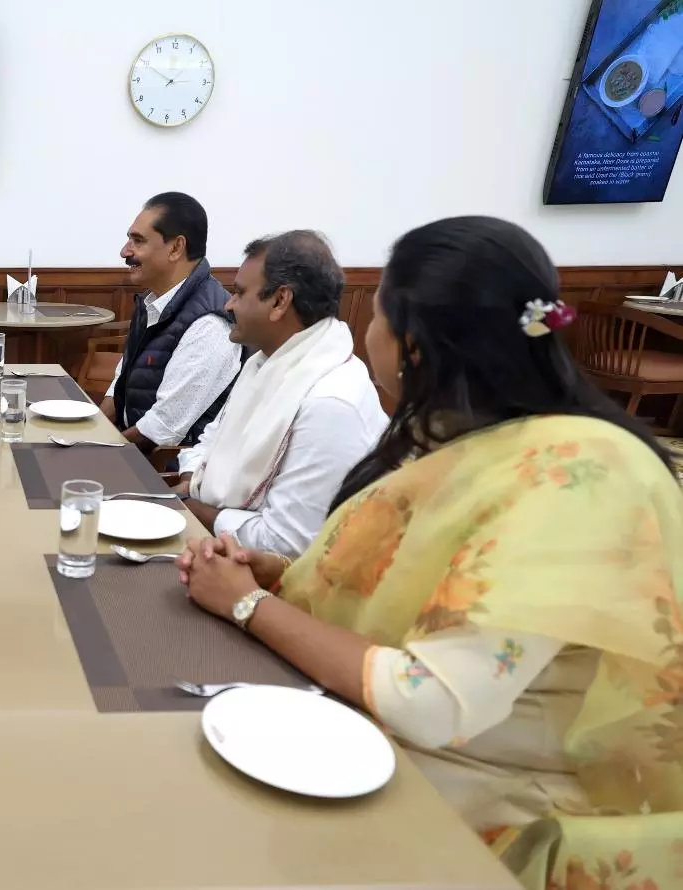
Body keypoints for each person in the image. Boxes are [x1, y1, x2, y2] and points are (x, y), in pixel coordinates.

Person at [177, 217, 683, 890]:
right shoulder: (464, 435)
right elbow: (410, 581)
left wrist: (246, 604)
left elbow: (430, 701)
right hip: (373, 747)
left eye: (380, 310)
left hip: (484, 809)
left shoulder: (576, 476)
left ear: (415, 343)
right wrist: (288, 577)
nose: (368, 333)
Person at [175, 231, 386, 558]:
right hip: (220, 542)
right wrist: (192, 480)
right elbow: (211, 439)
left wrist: (193, 509)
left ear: (279, 301)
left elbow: (287, 545)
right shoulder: (267, 362)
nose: (229, 304)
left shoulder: (330, 402)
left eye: (240, 293)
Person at [101, 192, 242, 451]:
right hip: (131, 452)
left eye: (138, 241)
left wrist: (96, 452)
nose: (125, 251)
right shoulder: (153, 301)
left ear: (176, 248)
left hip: (163, 474)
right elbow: (121, 381)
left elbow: (161, 431)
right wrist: (95, 430)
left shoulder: (209, 325)